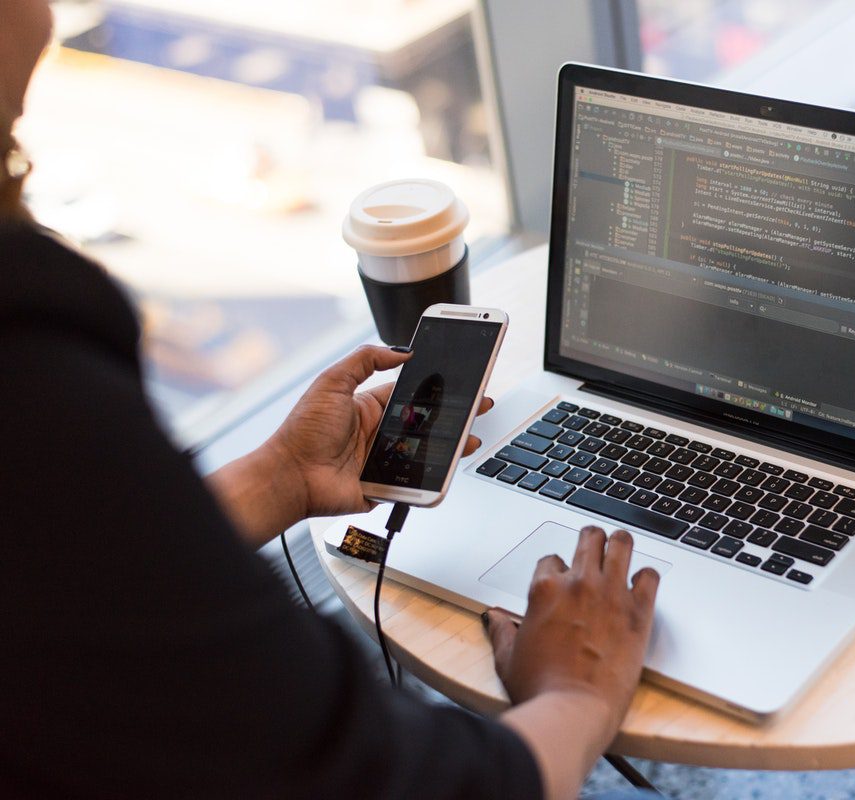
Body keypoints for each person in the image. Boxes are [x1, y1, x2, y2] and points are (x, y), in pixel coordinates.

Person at [0, 3, 660, 798]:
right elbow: (390, 781)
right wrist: (578, 695)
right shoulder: (32, 380)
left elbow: (81, 576)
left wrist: (281, 475)